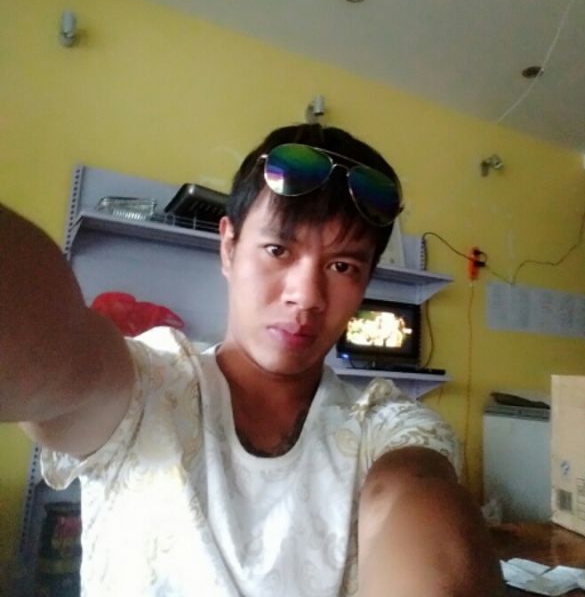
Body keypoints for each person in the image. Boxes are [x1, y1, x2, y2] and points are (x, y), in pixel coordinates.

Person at [1, 123, 505, 596]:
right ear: (229, 247)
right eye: (278, 250)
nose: (307, 296)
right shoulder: (149, 385)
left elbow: (418, 505)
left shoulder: (386, 426)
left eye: (342, 266)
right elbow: (52, 353)